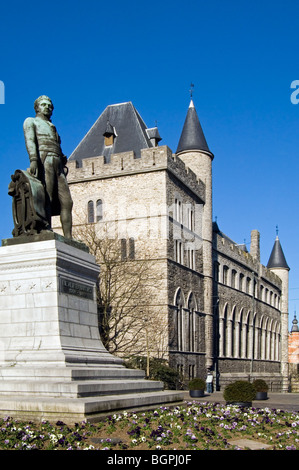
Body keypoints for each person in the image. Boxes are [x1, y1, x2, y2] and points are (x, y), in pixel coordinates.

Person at [23, 95, 73, 238]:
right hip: (45, 160)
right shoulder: (31, 121)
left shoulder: (53, 127)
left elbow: (57, 145)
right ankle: (46, 228)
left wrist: (62, 157)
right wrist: (33, 159)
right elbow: (30, 141)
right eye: (44, 105)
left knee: (67, 201)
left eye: (50, 106)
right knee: (47, 197)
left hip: (57, 163)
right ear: (37, 107)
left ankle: (68, 237)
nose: (47, 108)